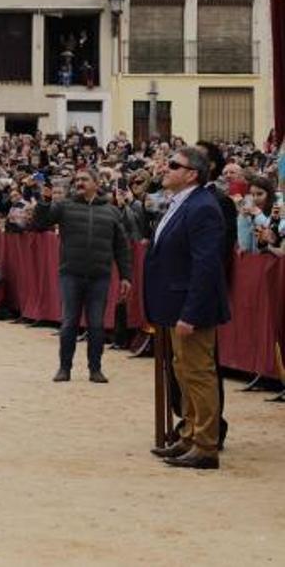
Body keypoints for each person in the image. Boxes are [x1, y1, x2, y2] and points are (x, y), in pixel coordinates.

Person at [144, 147, 230, 470]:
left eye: (173, 165)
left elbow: (206, 265)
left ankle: (206, 445)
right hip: (175, 304)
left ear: (192, 174)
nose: (165, 169)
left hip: (190, 308)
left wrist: (191, 312)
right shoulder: (182, 203)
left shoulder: (203, 207)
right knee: (184, 371)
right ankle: (191, 435)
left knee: (198, 373)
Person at [33, 167, 131, 383]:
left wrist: (126, 276)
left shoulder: (111, 211)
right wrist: (44, 202)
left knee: (96, 324)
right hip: (71, 274)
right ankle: (64, 368)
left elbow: (121, 247)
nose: (79, 182)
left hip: (100, 276)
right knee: (69, 323)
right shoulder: (64, 206)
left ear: (96, 183)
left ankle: (95, 369)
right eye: (77, 180)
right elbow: (40, 224)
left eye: (84, 179)